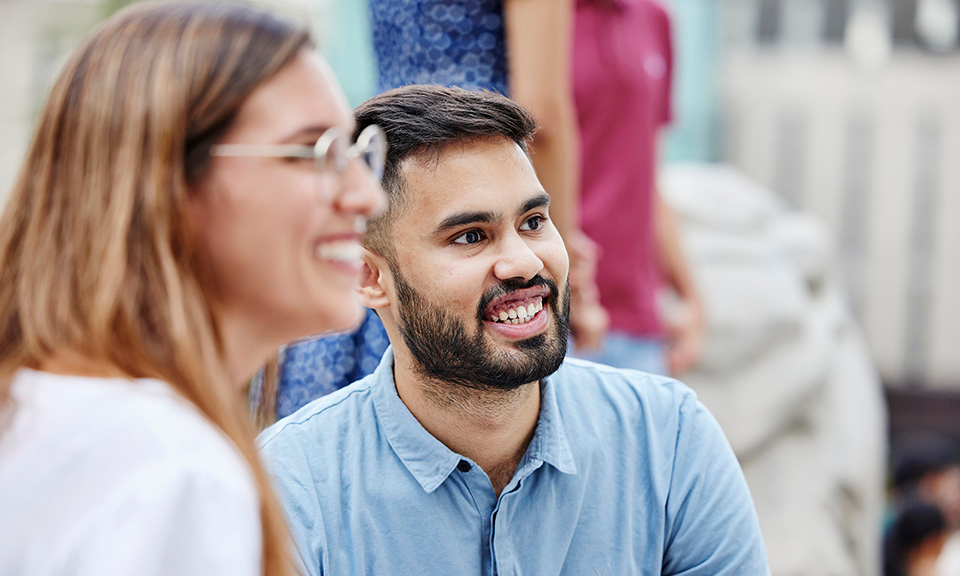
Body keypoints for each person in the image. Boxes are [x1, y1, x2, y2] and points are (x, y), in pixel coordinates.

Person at [259, 85, 769, 575]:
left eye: (532, 222)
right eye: (471, 236)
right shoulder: (291, 487)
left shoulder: (669, 438)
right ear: (371, 277)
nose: (524, 263)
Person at [0, 2, 384, 575]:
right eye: (313, 152)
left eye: (357, 153)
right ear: (167, 183)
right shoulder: (170, 470)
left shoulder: (44, 411)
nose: (367, 197)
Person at [571, 0, 703, 375]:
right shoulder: (536, 15)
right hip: (555, 306)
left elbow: (646, 175)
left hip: (638, 319)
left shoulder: (654, 19)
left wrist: (690, 297)